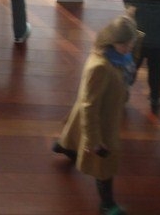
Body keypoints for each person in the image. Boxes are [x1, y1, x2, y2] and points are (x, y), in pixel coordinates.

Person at [53, 16, 137, 215]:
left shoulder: (113, 55)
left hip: (104, 108)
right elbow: (89, 107)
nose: (128, 48)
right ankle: (107, 203)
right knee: (104, 163)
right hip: (102, 119)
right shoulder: (100, 66)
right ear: (111, 41)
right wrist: (94, 141)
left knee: (74, 130)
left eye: (130, 44)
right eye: (123, 44)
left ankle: (65, 146)